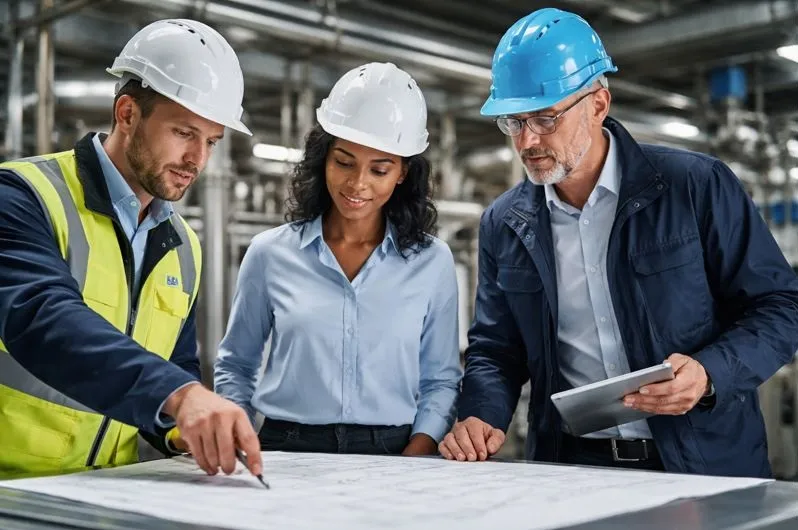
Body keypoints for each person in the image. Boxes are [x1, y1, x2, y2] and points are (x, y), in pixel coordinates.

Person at [438, 8, 798, 478]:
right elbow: (496, 347)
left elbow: (780, 306)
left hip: (702, 463)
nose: (526, 141)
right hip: (569, 470)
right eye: (513, 121)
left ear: (598, 104)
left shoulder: (695, 186)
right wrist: (481, 413)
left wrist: (710, 373)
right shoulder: (504, 222)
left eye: (545, 118)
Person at [0, 19, 262, 479]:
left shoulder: (184, 246)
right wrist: (179, 396)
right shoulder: (23, 195)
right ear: (127, 114)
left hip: (108, 492)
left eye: (211, 142)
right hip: (14, 485)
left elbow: (176, 365)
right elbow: (42, 316)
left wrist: (179, 429)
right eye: (184, 133)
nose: (197, 160)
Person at [214, 62, 462, 456]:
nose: (357, 184)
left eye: (379, 170)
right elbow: (236, 366)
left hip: (396, 449)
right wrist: (238, 435)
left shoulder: (432, 262)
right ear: (323, 158)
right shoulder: (269, 253)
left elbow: (441, 379)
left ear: (401, 174)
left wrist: (417, 453)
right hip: (286, 446)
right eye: (344, 162)